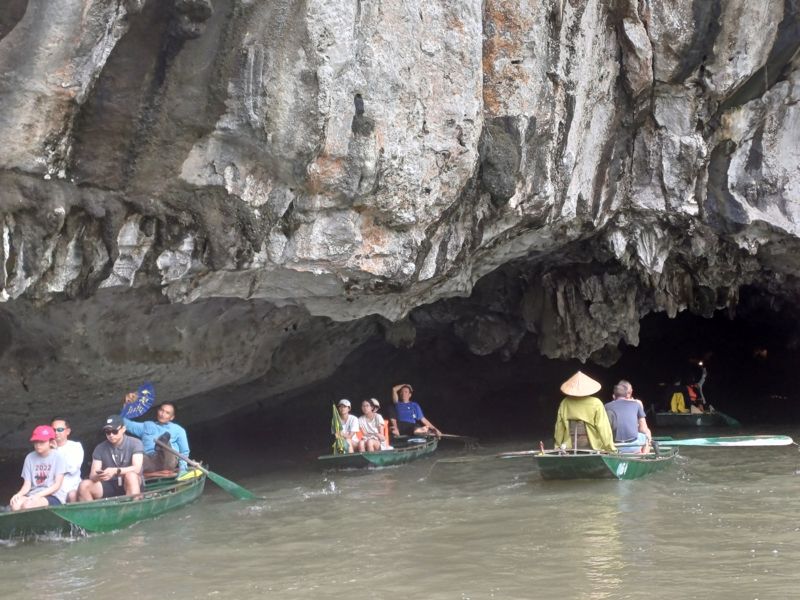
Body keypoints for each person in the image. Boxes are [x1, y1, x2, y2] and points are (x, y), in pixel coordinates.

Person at [77, 415, 143, 501]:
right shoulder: (100, 448)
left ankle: (132, 509)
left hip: (130, 483)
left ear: (123, 429)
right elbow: (92, 476)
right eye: (108, 432)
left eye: (115, 431)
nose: (111, 435)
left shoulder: (135, 443)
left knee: (131, 476)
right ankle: (94, 513)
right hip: (109, 484)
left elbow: (137, 468)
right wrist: (101, 476)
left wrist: (115, 471)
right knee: (84, 485)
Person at [122, 397, 190, 472]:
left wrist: (183, 469)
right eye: (161, 410)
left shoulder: (178, 430)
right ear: (158, 411)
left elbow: (184, 451)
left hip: (167, 461)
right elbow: (126, 424)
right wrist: (126, 407)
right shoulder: (147, 425)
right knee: (136, 458)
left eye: (167, 413)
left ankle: (161, 443)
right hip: (150, 461)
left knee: (166, 442)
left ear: (172, 417)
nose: (163, 414)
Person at [553, 371, 616, 452]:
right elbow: (603, 428)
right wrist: (610, 448)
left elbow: (559, 427)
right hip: (592, 445)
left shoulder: (565, 402)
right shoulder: (596, 403)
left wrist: (557, 445)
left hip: (570, 445)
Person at [9, 425, 67, 511]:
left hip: (53, 496)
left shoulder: (58, 457)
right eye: (36, 442)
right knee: (15, 504)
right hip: (32, 494)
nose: (38, 445)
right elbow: (27, 484)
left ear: (51, 442)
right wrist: (19, 494)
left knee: (28, 506)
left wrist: (38, 495)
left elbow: (57, 485)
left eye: (42, 442)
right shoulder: (30, 457)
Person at [605, 381, 652, 454]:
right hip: (633, 446)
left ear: (614, 396)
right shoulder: (637, 404)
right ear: (627, 394)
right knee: (647, 432)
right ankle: (644, 456)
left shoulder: (606, 406)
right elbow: (643, 429)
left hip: (614, 446)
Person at [51, 417, 84, 503]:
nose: (56, 433)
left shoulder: (76, 446)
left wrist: (56, 450)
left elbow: (72, 468)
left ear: (68, 431)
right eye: (53, 430)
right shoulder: (46, 449)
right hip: (53, 493)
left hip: (72, 490)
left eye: (60, 429)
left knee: (72, 495)